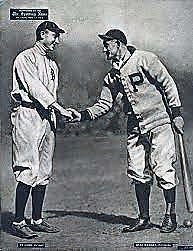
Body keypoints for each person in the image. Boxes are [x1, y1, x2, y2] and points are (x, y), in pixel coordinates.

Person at [68, 29, 184, 233]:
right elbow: (104, 104)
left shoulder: (145, 58)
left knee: (164, 168)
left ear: (118, 43)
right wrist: (82, 115)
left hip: (159, 122)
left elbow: (168, 84)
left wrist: (176, 113)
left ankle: (169, 215)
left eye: (107, 44)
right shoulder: (111, 76)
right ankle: (143, 218)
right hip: (135, 127)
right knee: (138, 171)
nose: (104, 49)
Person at [10, 21, 72, 239]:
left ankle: (36, 219)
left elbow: (50, 95)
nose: (57, 40)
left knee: (44, 170)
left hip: (46, 117)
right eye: (54, 35)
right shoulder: (24, 57)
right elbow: (35, 89)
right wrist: (59, 108)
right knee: (28, 168)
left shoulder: (52, 64)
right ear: (42, 34)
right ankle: (18, 221)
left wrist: (60, 114)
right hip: (27, 115)